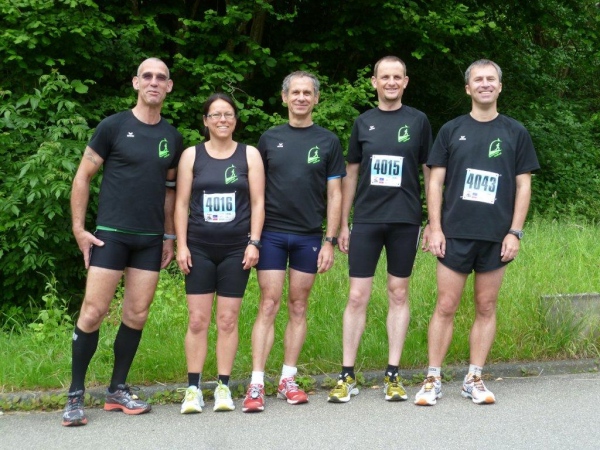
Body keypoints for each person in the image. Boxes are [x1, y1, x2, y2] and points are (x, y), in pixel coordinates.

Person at [62, 58, 184, 426]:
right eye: (147, 76)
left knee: (136, 314)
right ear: (135, 82)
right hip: (111, 236)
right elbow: (82, 177)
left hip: (149, 240)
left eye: (160, 77)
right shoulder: (113, 126)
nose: (153, 82)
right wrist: (79, 229)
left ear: (169, 86)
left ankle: (117, 390)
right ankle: (75, 394)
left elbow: (170, 190)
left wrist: (169, 236)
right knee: (93, 311)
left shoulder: (172, 137)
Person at [415, 59, 539, 406]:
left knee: (486, 305)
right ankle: (432, 379)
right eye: (478, 79)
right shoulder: (451, 129)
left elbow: (524, 186)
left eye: (491, 79)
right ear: (468, 88)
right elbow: (435, 182)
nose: (485, 84)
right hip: (454, 233)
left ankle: (474, 378)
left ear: (500, 86)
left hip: (496, 236)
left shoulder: (516, 132)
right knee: (446, 305)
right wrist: (435, 227)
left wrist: (515, 232)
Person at [327, 56, 432, 403]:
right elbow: (351, 174)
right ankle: (346, 375)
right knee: (357, 296)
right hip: (367, 220)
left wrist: (433, 220)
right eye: (384, 77)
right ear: (374, 82)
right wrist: (343, 223)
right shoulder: (363, 122)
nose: (391, 82)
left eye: (397, 77)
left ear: (405, 82)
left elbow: (430, 172)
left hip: (405, 220)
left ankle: (393, 374)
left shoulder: (418, 121)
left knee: (398, 293)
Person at [242, 71, 346, 413]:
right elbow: (256, 192)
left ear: (316, 99)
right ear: (284, 97)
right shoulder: (269, 138)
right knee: (268, 304)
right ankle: (257, 383)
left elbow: (335, 194)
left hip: (308, 236)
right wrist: (254, 238)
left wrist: (330, 240)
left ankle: (288, 379)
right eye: (295, 92)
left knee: (298, 306)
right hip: (272, 234)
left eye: (307, 93)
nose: (301, 97)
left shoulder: (328, 141)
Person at [174, 93, 265, 414]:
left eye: (228, 114)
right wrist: (181, 245)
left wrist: (254, 242)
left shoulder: (249, 155)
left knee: (227, 320)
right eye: (215, 115)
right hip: (198, 247)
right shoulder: (191, 155)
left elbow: (258, 202)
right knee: (198, 320)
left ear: (235, 120)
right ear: (206, 121)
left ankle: (223, 386)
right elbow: (181, 204)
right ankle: (193, 389)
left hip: (236, 249)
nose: (222, 119)